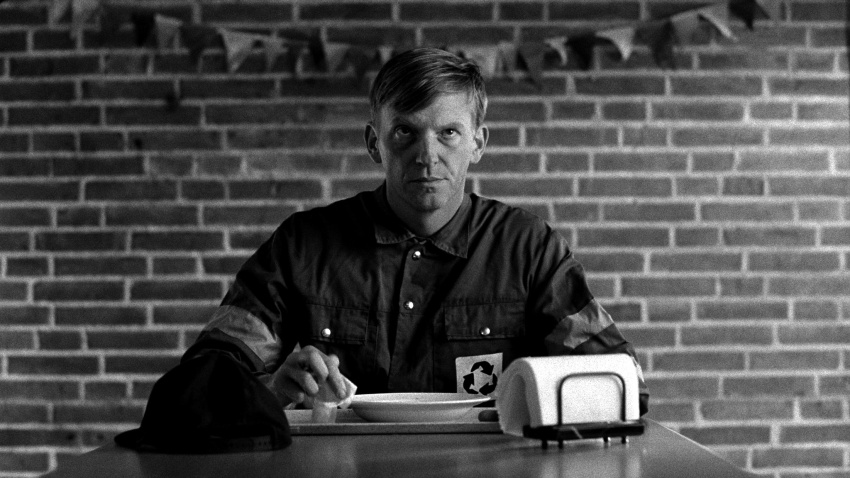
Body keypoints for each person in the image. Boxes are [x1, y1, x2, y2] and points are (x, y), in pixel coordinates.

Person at [183, 47, 649, 414]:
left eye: (448, 133)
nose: (427, 156)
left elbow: (622, 384)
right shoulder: (303, 246)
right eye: (405, 132)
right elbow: (199, 383)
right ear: (375, 144)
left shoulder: (528, 249)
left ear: (478, 143)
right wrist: (271, 390)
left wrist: (531, 392)